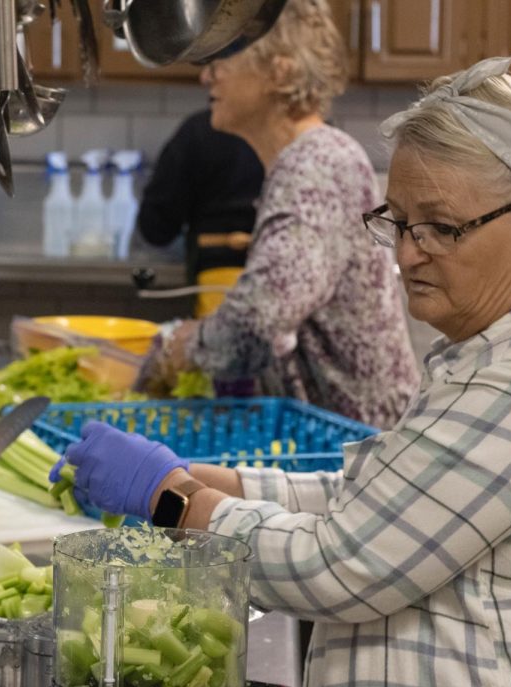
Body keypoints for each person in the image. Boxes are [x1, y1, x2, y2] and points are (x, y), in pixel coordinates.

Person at [60, 54, 511, 687]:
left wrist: (174, 499)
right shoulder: (477, 354)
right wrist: (227, 483)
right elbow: (374, 499)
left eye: (441, 228)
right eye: (398, 223)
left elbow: (343, 564)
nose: (408, 255)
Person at [150, 0, 418, 429]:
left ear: (279, 70)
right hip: (335, 435)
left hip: (356, 442)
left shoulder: (316, 166)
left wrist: (181, 348)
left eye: (221, 58)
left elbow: (259, 320)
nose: (206, 75)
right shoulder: (310, 159)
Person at [137, 108, 264, 281]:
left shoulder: (201, 129)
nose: (206, 79)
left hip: (215, 274)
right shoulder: (298, 131)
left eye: (215, 78)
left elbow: (156, 227)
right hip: (288, 281)